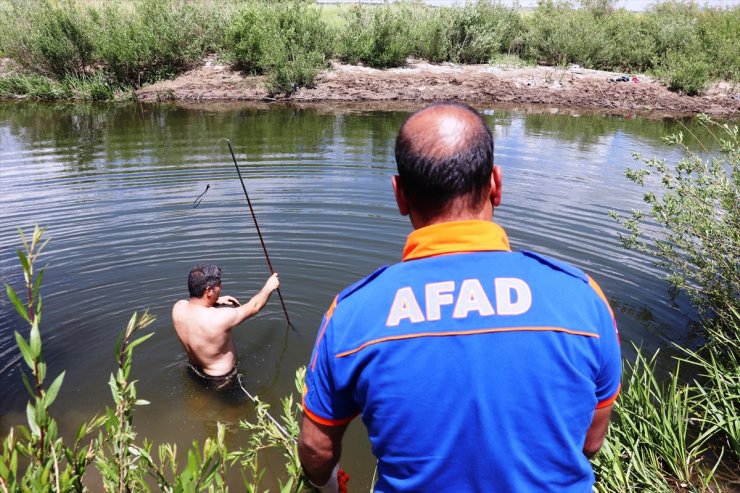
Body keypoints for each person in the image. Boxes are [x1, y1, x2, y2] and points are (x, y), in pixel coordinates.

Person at [298, 102, 621, 492]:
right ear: (496, 185)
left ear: (400, 196)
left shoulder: (351, 314)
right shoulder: (583, 298)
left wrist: (326, 483)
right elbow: (591, 441)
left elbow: (316, 449)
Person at [172, 264, 279, 387]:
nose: (221, 288)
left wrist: (215, 301)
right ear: (208, 290)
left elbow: (196, 307)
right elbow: (254, 307)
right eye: (219, 285)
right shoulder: (221, 317)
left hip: (193, 371)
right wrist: (269, 287)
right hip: (223, 381)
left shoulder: (178, 308)